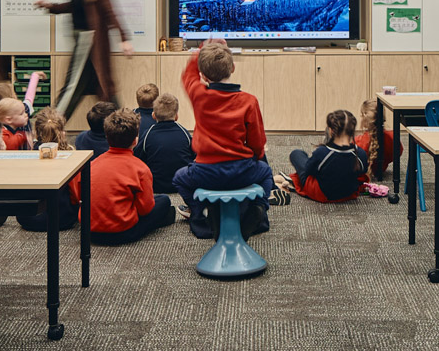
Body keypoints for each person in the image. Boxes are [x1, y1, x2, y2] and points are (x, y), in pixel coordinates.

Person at [172, 40, 279, 238]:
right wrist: (256, 157)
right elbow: (257, 142)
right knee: (265, 173)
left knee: (179, 178)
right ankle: (259, 208)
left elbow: (188, 75)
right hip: (241, 170)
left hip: (205, 171)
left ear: (203, 75)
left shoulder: (199, 94)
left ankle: (200, 212)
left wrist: (202, 49)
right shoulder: (248, 100)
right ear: (233, 67)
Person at [36, 0, 133, 117]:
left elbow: (110, 11)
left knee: (72, 87)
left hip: (87, 42)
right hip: (84, 41)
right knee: (105, 91)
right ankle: (124, 126)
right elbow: (73, 7)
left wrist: (123, 38)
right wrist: (50, 6)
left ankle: (51, 126)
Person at [82, 110, 175, 245]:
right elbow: (145, 210)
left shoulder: (91, 164)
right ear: (135, 140)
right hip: (122, 232)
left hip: (90, 232)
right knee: (164, 201)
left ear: (107, 137)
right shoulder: (140, 168)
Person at [277, 110, 369, 202]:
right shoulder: (360, 153)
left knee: (296, 154)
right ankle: (292, 180)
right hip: (348, 193)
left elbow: (309, 171)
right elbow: (362, 173)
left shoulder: (322, 152)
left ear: (330, 130)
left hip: (323, 193)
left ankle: (294, 180)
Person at [17, 108, 79, 232]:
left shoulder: (26, 156)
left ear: (36, 132)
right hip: (62, 219)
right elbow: (76, 194)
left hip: (27, 218)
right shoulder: (70, 156)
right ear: (63, 132)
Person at [135, 93, 193, 195]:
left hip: (155, 187)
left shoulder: (147, 135)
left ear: (153, 115)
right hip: (181, 184)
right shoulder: (184, 133)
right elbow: (193, 157)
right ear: (176, 116)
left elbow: (137, 158)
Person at [355, 99, 402, 181]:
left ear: (364, 118)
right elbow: (398, 153)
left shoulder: (358, 142)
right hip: (382, 169)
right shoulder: (393, 138)